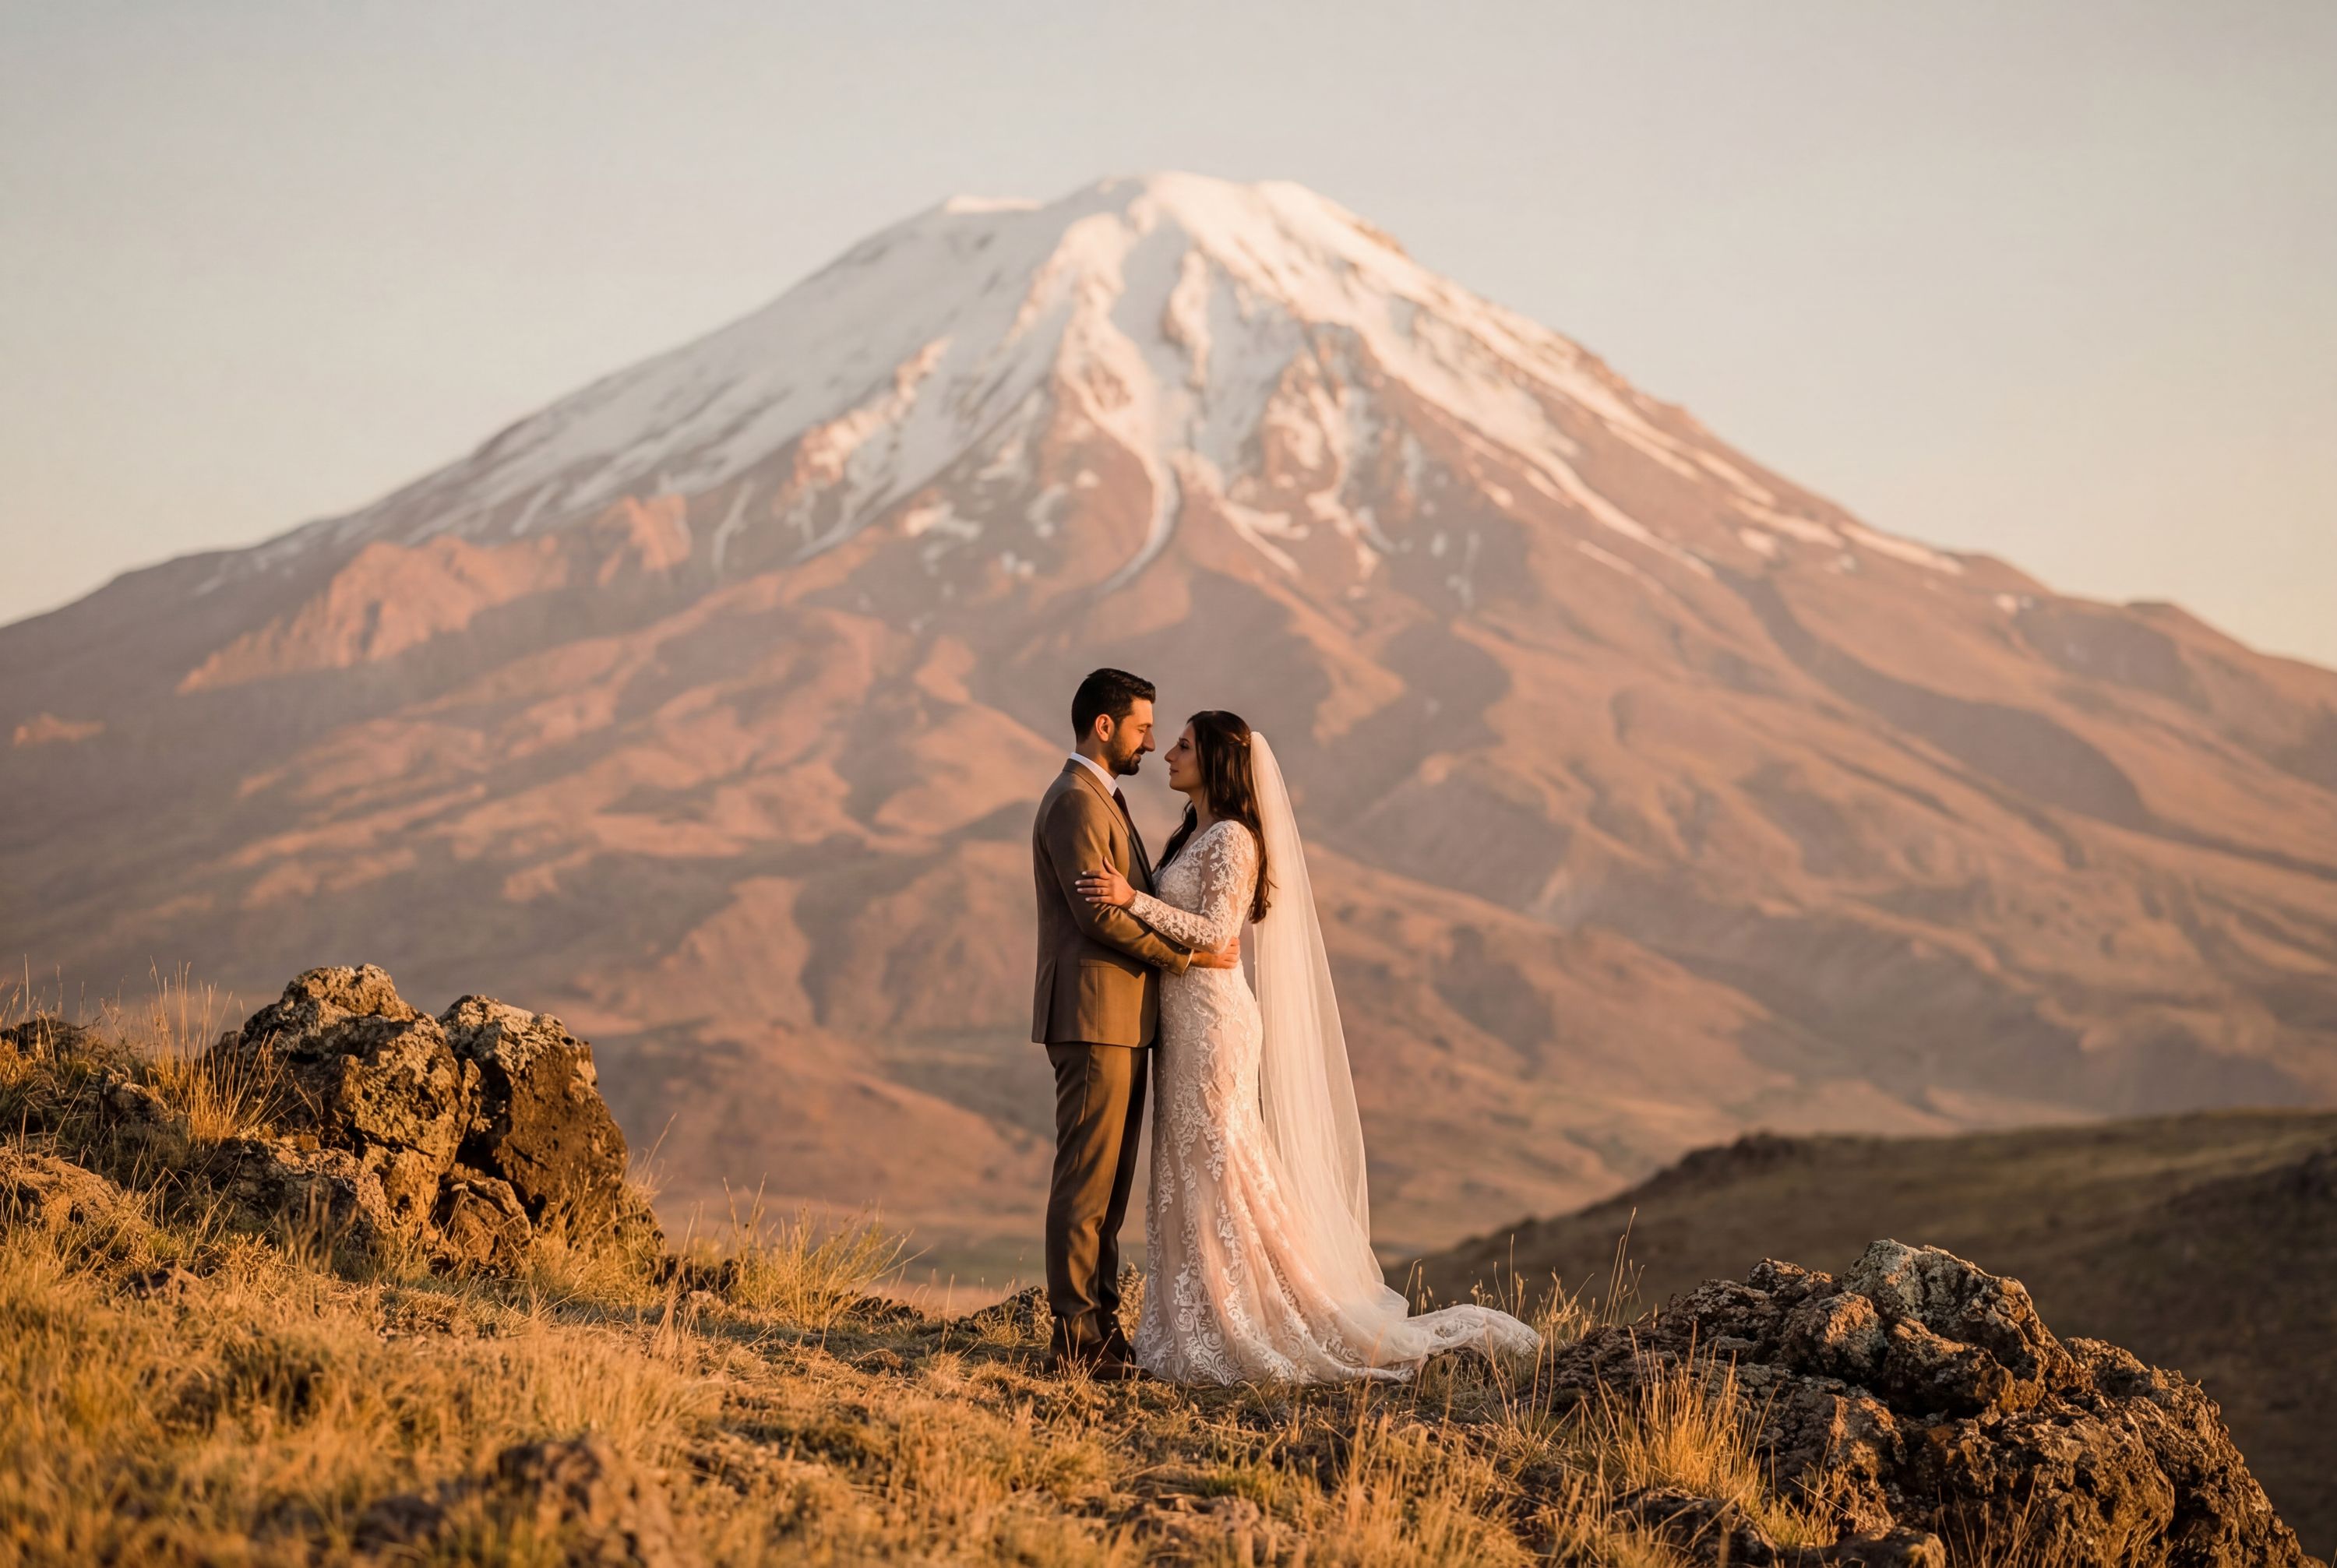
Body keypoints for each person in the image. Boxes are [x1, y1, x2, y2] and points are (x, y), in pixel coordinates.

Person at [1076, 709, 1539, 1383]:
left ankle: (1254, 1318)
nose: (1164, 752)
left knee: (1220, 1164)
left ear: (1217, 762)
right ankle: (1199, 1316)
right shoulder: (1194, 833)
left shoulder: (1234, 839)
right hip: (1183, 1021)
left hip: (1212, 1026)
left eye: (1182, 745)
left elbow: (1213, 933)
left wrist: (1130, 900)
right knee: (1190, 1167)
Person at [1029, 668, 1239, 1378]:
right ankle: (1075, 1339)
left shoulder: (1102, 799)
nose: (1153, 741)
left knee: (1111, 1184)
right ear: (1105, 726)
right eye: (1146, 728)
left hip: (1122, 1017)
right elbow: (1099, 914)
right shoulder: (1075, 803)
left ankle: (1101, 1326)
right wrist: (1189, 957)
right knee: (1087, 1181)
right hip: (1093, 1015)